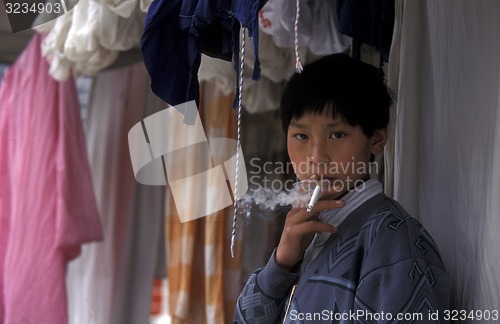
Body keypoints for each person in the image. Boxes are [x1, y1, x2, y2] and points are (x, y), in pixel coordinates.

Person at [233, 53, 450, 323]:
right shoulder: (305, 236)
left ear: (376, 138)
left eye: (337, 135)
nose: (316, 156)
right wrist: (281, 263)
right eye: (301, 135)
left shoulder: (392, 244)